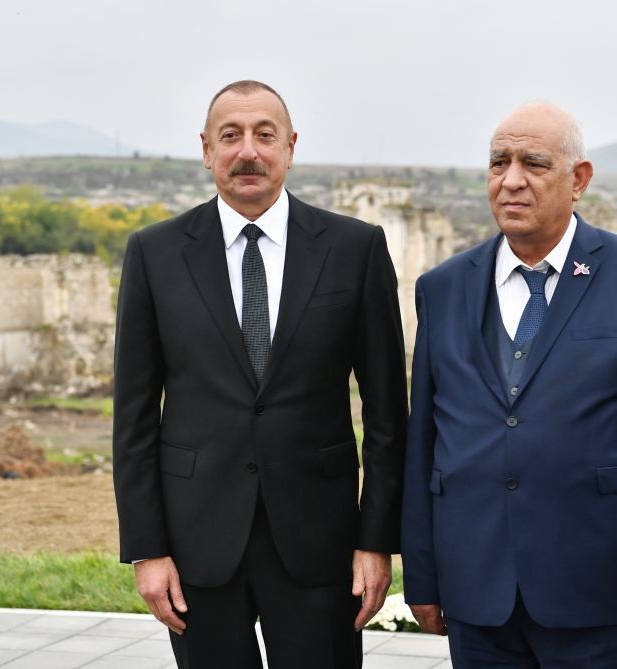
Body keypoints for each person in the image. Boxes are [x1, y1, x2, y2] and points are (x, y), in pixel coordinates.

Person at [400, 102, 617, 668]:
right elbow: (423, 442)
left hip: (606, 596)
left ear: (579, 180)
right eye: (499, 163)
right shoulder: (443, 288)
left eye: (534, 163)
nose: (512, 180)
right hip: (480, 600)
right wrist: (423, 575)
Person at [112, 80, 408, 669]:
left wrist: (376, 542)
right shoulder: (155, 253)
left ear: (291, 147)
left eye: (264, 135)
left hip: (318, 540)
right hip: (197, 544)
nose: (248, 151)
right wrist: (147, 550)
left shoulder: (355, 249)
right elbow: (135, 417)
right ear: (206, 149)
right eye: (231, 136)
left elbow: (386, 417)